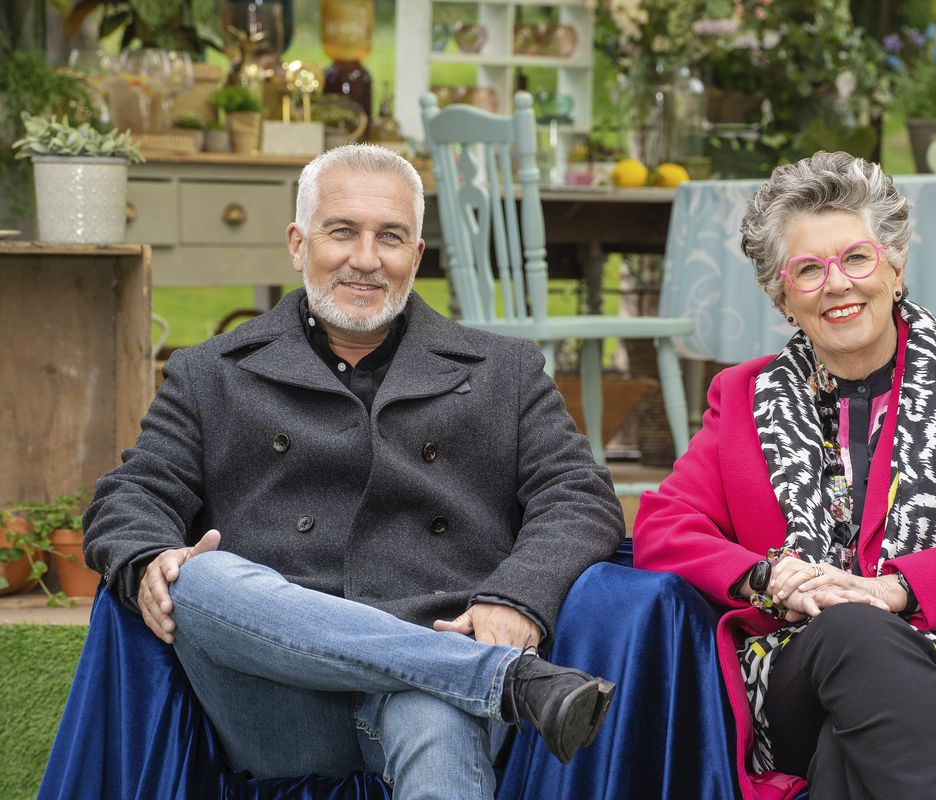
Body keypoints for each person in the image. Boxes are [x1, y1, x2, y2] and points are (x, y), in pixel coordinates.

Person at [83, 144, 624, 797]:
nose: (366, 259)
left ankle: (461, 674)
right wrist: (145, 558)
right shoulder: (211, 374)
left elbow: (579, 495)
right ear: (297, 243)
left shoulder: (502, 372)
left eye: (390, 237)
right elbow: (133, 493)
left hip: (437, 640)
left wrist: (515, 598)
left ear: (417, 257)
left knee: (435, 710)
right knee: (196, 576)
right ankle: (495, 678)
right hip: (280, 698)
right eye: (342, 231)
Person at [633, 151, 936, 800]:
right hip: (799, 673)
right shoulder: (741, 394)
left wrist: (899, 589)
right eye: (808, 271)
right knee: (848, 629)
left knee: (850, 751)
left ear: (895, 264)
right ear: (782, 296)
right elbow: (664, 527)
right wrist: (770, 579)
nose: (837, 284)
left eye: (857, 258)